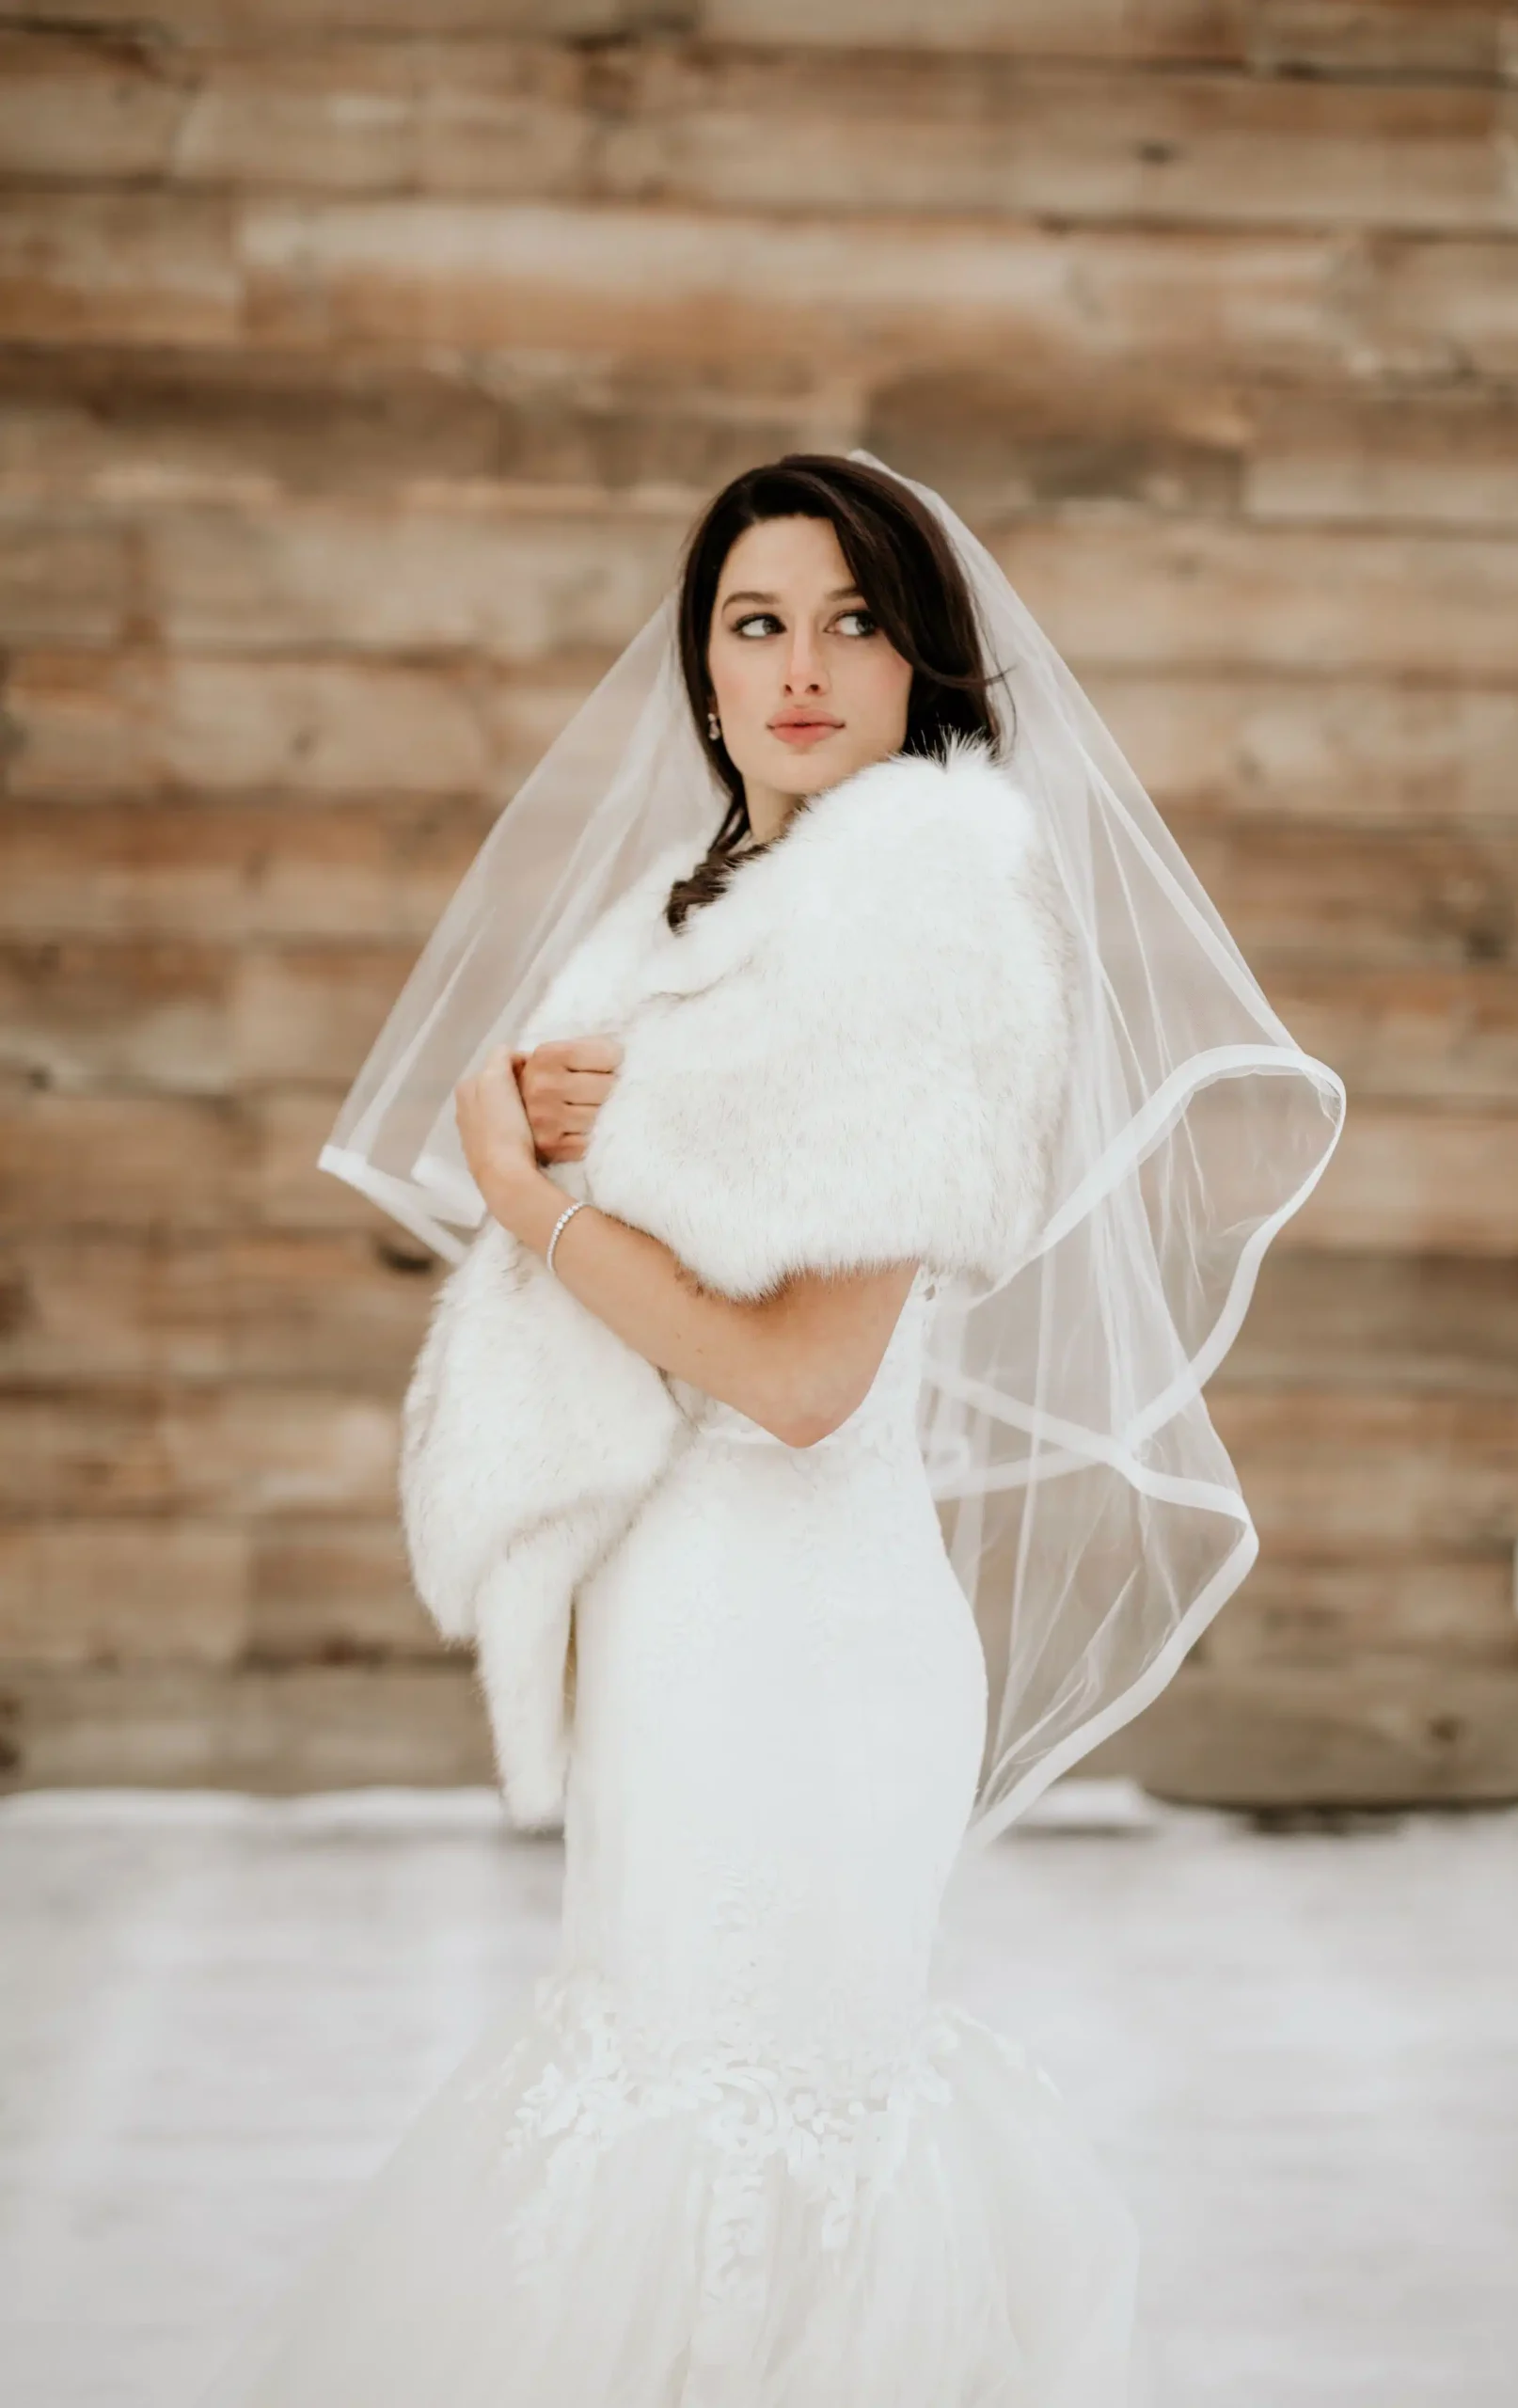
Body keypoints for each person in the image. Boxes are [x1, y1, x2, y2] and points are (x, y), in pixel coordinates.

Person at [198, 455, 1342, 2405]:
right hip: (674, 1621)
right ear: (701, 665)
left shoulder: (923, 925)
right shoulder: (685, 926)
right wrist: (556, 1163)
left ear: (921, 665)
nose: (800, 665)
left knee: (764, 2116)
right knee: (638, 2072)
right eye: (755, 622)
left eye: (850, 621)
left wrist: (531, 1192)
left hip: (805, 1637)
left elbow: (804, 1380)